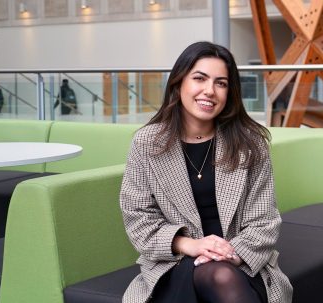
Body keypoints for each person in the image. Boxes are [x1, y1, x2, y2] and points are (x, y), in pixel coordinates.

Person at [120, 41, 292, 303]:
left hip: (242, 259)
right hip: (175, 262)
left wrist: (229, 253)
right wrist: (191, 245)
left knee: (222, 275)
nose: (210, 91)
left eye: (221, 83)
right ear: (179, 84)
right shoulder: (147, 143)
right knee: (219, 277)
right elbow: (138, 219)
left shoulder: (249, 143)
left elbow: (264, 220)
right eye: (199, 78)